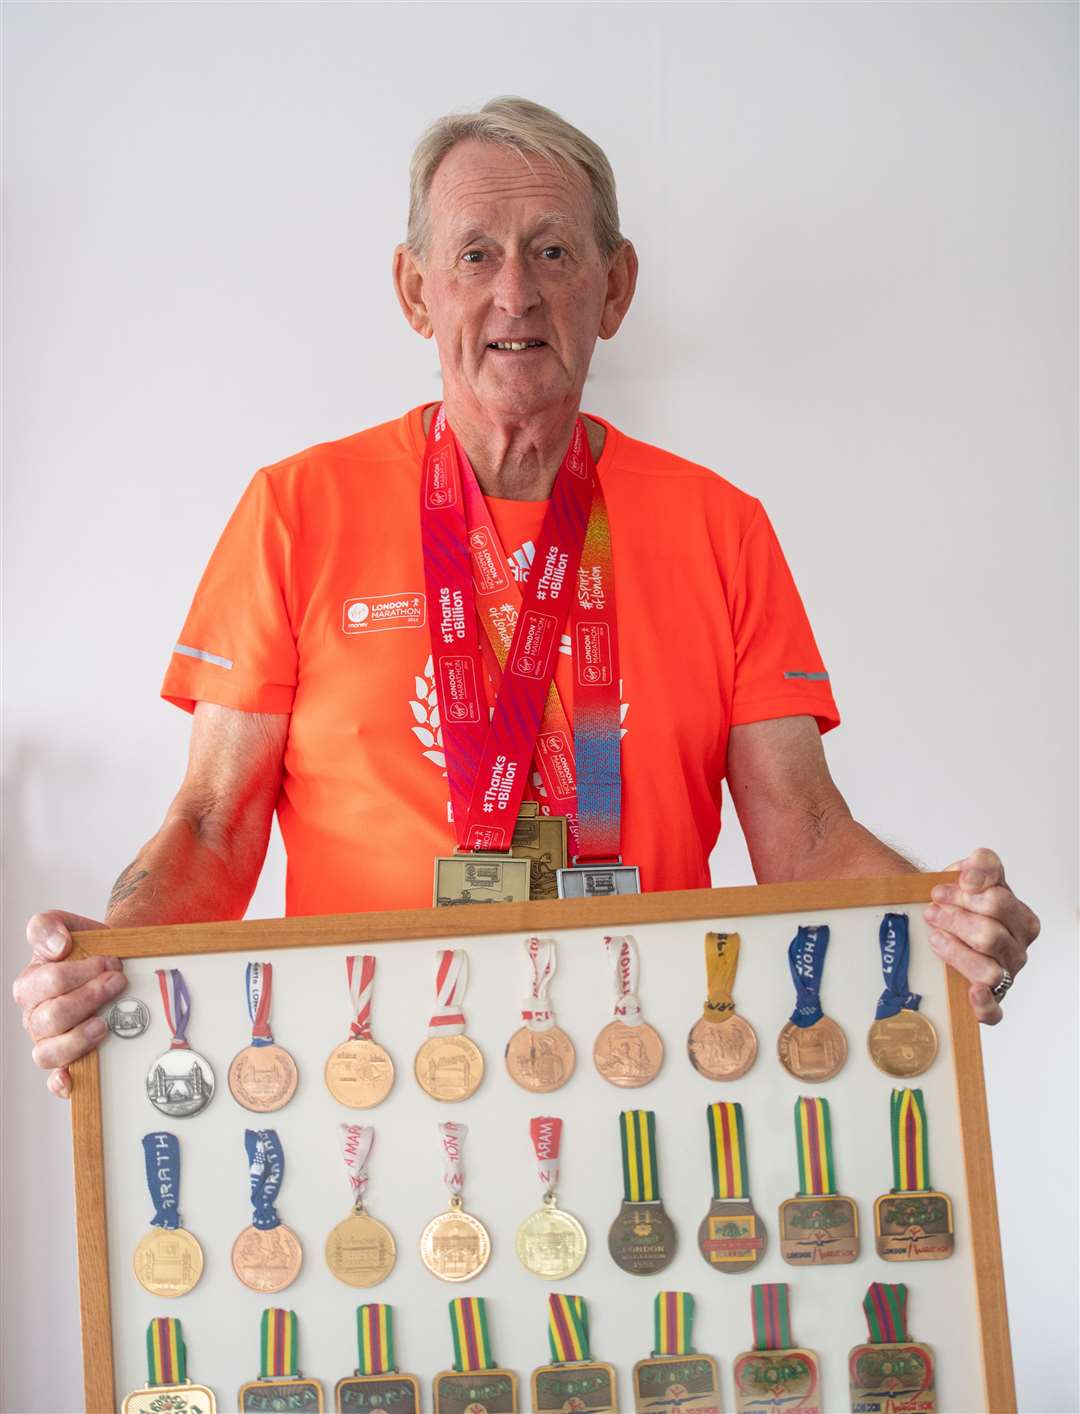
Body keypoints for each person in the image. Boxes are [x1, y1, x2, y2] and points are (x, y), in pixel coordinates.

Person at [12, 97, 1039, 1098]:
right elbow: (213, 827)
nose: (516, 293)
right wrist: (102, 969)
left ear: (616, 286)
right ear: (416, 292)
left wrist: (942, 912)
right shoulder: (295, 511)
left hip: (654, 1070)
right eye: (475, 255)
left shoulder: (720, 525)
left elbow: (805, 837)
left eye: (553, 252)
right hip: (367, 1090)